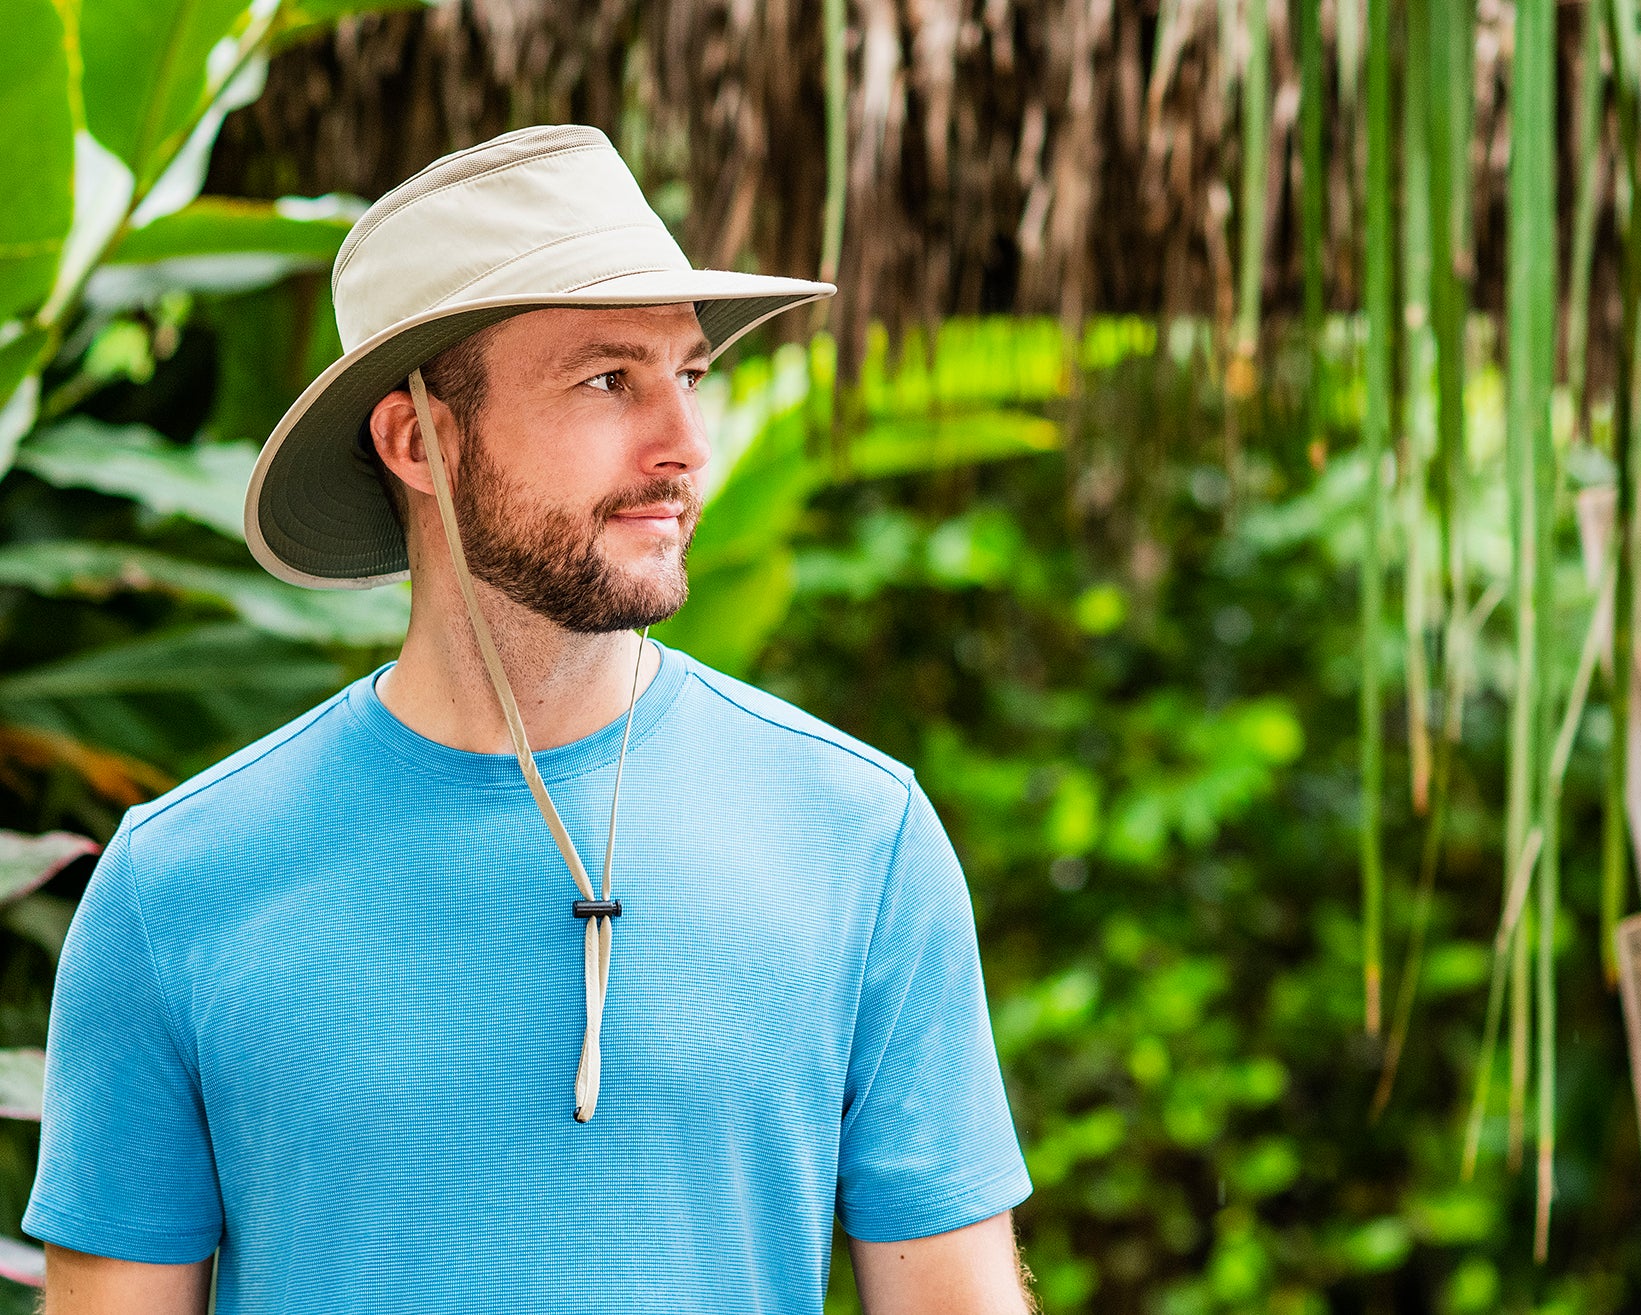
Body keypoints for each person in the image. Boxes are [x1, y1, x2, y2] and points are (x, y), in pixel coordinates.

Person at [25, 124, 1035, 1314]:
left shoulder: (861, 841)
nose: (685, 448)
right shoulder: (177, 887)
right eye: (609, 379)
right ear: (416, 438)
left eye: (688, 375)